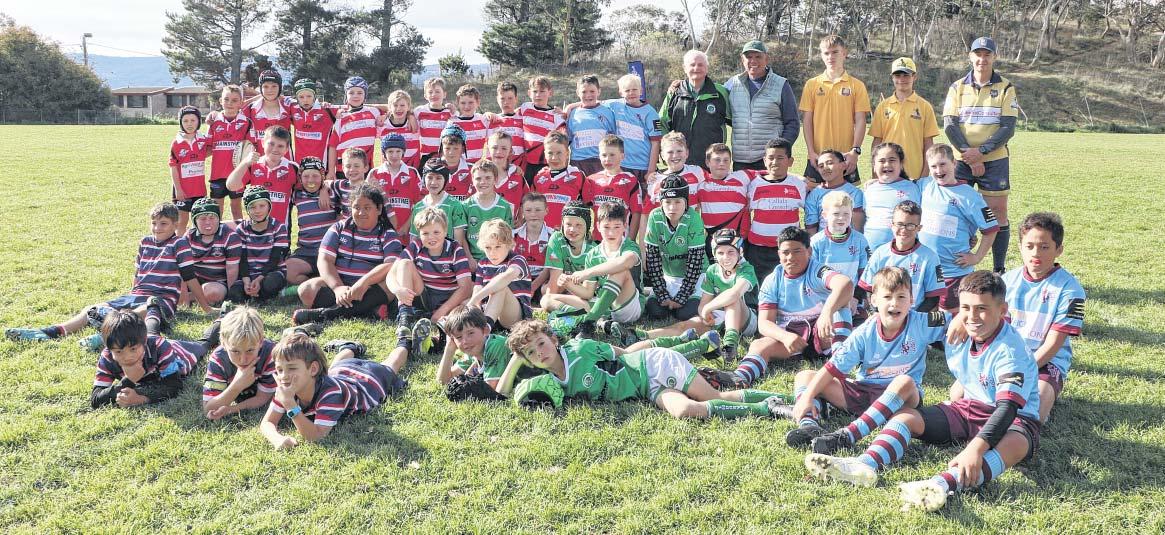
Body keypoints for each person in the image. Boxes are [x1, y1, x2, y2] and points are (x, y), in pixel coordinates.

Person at [805, 271, 1041, 515]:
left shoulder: (1011, 352)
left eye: (981, 308)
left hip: (1014, 419)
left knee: (1017, 444)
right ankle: (864, 464)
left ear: (1002, 310)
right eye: (966, 308)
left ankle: (940, 485)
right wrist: (957, 318)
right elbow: (941, 318)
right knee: (905, 417)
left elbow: (1007, 409)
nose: (972, 316)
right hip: (968, 408)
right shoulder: (959, 327)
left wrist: (976, 449)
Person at [783, 267, 948, 450]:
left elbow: (956, 319)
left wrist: (957, 323)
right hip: (864, 394)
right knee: (805, 377)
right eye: (887, 297)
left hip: (903, 401)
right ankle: (809, 425)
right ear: (874, 300)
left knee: (905, 381)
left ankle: (849, 434)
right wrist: (806, 397)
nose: (894, 303)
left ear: (911, 300)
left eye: (901, 297)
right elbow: (832, 368)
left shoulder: (923, 322)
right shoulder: (864, 332)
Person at [495, 320, 790, 420]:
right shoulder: (549, 383)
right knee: (686, 411)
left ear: (554, 339)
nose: (540, 352)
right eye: (531, 353)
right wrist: (517, 359)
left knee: (714, 397)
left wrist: (663, 352)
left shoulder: (580, 350)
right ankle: (768, 408)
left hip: (653, 365)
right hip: (648, 388)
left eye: (542, 343)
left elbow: (624, 354)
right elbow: (502, 393)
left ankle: (786, 402)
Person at [950, 212, 1084, 424]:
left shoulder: (1070, 290)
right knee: (957, 395)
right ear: (1020, 247)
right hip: (1004, 356)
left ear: (1059, 249)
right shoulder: (1007, 280)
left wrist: (1023, 371)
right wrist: (959, 318)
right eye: (1029, 246)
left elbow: (1053, 345)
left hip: (1043, 362)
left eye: (1044, 247)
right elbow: (978, 306)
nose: (1035, 253)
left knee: (1033, 414)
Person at [7, 203, 205, 345]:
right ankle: (50, 332)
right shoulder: (145, 242)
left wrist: (205, 307)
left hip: (161, 299)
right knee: (91, 309)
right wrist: (130, 295)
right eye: (154, 223)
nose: (157, 228)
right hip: (136, 294)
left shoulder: (179, 243)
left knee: (142, 311)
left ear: (175, 225)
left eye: (163, 224)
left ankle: (106, 336)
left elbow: (189, 277)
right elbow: (138, 273)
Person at [726, 227, 853, 389]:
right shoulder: (772, 280)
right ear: (779, 254)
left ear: (809, 252)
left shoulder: (818, 270)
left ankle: (840, 364)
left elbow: (845, 284)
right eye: (785, 252)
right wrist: (785, 336)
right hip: (792, 339)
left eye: (797, 251)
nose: (791, 257)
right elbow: (764, 324)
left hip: (822, 334)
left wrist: (826, 313)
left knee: (841, 305)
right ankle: (739, 378)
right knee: (758, 345)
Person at [943, 37, 1019, 274]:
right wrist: (969, 154)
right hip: (962, 159)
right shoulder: (957, 87)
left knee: (998, 213)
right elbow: (949, 125)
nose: (982, 59)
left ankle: (998, 270)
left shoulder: (1006, 87)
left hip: (994, 160)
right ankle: (955, 264)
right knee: (957, 210)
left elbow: (1008, 127)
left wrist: (982, 152)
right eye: (978, 54)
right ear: (970, 56)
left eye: (987, 55)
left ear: (994, 57)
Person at [259, 333, 408, 450]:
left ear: (313, 369)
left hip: (368, 381)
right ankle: (350, 347)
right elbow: (267, 423)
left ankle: (405, 342)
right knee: (333, 368)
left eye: (292, 368)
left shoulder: (331, 393)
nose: (284, 376)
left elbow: (317, 436)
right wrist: (277, 439)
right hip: (340, 371)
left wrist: (291, 406)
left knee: (390, 365)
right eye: (279, 370)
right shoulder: (286, 388)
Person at [292, 184, 403, 325]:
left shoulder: (388, 234)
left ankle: (327, 314)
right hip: (341, 284)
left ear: (379, 209)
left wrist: (364, 283)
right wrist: (337, 287)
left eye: (367, 208)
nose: (361, 213)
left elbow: (390, 265)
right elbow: (324, 260)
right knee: (306, 290)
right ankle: (368, 310)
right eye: (357, 207)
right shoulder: (339, 228)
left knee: (390, 287)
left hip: (370, 288)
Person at [917, 144, 999, 312]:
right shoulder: (924, 185)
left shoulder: (970, 195)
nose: (938, 170)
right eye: (933, 166)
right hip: (925, 270)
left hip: (953, 272)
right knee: (925, 317)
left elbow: (991, 229)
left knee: (950, 317)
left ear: (954, 163)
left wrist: (977, 257)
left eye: (943, 164)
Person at [544, 202, 642, 338]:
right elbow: (588, 293)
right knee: (547, 299)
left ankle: (588, 322)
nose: (611, 232)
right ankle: (600, 323)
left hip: (628, 307)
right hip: (602, 307)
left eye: (617, 227)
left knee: (620, 271)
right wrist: (568, 284)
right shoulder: (593, 254)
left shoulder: (630, 246)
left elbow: (625, 262)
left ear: (625, 225)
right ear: (598, 226)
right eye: (606, 227)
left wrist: (587, 273)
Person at [389, 207, 473, 353]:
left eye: (436, 232)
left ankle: (434, 337)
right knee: (404, 264)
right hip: (425, 297)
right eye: (425, 233)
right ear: (419, 234)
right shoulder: (416, 246)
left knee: (468, 303)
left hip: (450, 301)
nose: (431, 237)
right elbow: (391, 273)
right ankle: (405, 319)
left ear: (445, 231)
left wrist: (441, 311)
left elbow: (465, 288)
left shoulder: (455, 250)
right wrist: (398, 290)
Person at [89, 311, 205, 409]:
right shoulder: (107, 357)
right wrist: (128, 380)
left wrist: (141, 399)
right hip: (147, 341)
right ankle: (153, 307)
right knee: (150, 333)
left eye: (133, 349)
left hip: (178, 351)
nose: (127, 357)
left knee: (204, 344)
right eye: (119, 351)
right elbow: (95, 399)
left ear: (144, 342)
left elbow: (174, 386)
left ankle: (219, 321)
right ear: (109, 348)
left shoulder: (160, 348)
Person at [799, 35, 870, 185]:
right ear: (821, 55)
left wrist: (855, 151)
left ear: (844, 53)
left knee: (846, 199)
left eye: (835, 52)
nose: (830, 57)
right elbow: (807, 121)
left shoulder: (857, 86)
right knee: (815, 198)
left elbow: (860, 120)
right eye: (826, 53)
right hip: (818, 157)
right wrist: (811, 151)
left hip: (845, 158)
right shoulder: (812, 84)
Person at [724, 40, 801, 170]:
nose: (753, 61)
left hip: (770, 161)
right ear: (742, 60)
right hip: (741, 161)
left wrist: (780, 151)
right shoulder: (732, 84)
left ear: (767, 59)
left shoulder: (781, 84)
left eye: (758, 56)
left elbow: (792, 123)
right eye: (749, 57)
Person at [641, 174, 706, 324]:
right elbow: (653, 259)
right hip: (668, 276)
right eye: (667, 202)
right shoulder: (655, 217)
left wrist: (682, 296)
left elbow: (695, 264)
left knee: (684, 313)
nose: (672, 207)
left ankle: (706, 294)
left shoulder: (694, 218)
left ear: (686, 202)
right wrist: (662, 293)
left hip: (695, 276)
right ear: (661, 202)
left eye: (678, 201)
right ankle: (657, 294)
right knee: (656, 311)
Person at [859, 201, 945, 312]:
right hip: (885, 315)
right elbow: (869, 289)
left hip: (914, 316)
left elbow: (933, 298)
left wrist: (910, 318)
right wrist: (878, 313)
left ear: (919, 228)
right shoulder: (879, 254)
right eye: (899, 224)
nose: (904, 230)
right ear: (892, 225)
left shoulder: (930, 257)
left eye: (910, 225)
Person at [745, 137, 807, 284]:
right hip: (758, 248)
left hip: (788, 248)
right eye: (771, 158)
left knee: (786, 284)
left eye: (780, 158)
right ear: (764, 160)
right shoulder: (754, 185)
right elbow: (746, 211)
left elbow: (809, 214)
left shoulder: (799, 185)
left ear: (790, 161)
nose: (775, 162)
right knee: (759, 285)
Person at [868, 58, 939, 179]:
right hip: (887, 171)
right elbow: (877, 142)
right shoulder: (883, 106)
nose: (902, 79)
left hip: (914, 172)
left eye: (906, 75)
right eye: (897, 75)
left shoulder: (925, 106)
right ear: (892, 77)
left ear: (914, 77)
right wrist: (875, 173)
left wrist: (924, 174)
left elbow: (928, 143)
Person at [201, 306, 277, 420]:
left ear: (260, 342)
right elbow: (208, 408)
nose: (243, 359)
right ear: (224, 344)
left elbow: (263, 398)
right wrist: (237, 385)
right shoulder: (219, 360)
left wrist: (231, 409)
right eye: (235, 351)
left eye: (250, 350)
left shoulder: (271, 355)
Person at [660, 49, 731, 168]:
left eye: (700, 65)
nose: (696, 68)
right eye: (692, 65)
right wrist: (666, 149)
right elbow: (661, 122)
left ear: (707, 68)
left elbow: (737, 121)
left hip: (712, 163)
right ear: (685, 68)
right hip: (681, 163)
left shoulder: (721, 92)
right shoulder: (674, 92)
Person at [809, 192, 870, 320]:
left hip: (852, 300)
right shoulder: (816, 242)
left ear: (852, 214)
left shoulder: (860, 240)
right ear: (825, 215)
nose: (841, 218)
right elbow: (812, 277)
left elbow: (865, 274)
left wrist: (856, 297)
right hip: (823, 302)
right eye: (836, 214)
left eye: (846, 214)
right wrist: (833, 302)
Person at [640, 132, 706, 246]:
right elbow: (645, 215)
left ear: (687, 153)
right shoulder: (655, 180)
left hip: (691, 236)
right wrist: (642, 248)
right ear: (662, 155)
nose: (675, 156)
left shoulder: (697, 172)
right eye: (670, 152)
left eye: (679, 151)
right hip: (665, 240)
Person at [226, 125, 299, 226]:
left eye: (280, 146)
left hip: (282, 230)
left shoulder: (293, 168)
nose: (275, 149)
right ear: (263, 143)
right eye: (271, 144)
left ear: (287, 149)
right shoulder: (253, 165)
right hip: (256, 229)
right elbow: (231, 186)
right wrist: (244, 163)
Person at [176, 197, 241, 309]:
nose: (208, 222)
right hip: (193, 280)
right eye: (202, 219)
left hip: (217, 282)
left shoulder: (230, 236)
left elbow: (232, 269)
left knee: (214, 293)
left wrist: (232, 294)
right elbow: (183, 268)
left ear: (219, 218)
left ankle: (187, 297)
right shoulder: (189, 236)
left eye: (212, 217)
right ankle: (185, 297)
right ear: (195, 221)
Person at [469, 219, 533, 330]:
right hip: (489, 310)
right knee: (465, 304)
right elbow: (477, 288)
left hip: (515, 317)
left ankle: (485, 329)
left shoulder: (518, 260)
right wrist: (476, 305)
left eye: (498, 247)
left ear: (508, 244)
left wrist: (475, 299)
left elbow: (507, 276)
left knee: (501, 287)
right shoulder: (483, 263)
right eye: (488, 248)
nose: (492, 253)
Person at [603, 73, 662, 183]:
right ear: (621, 93)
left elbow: (656, 143)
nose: (631, 93)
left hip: (643, 167)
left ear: (641, 91)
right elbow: (593, 103)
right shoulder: (615, 105)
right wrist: (570, 107)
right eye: (627, 90)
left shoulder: (651, 113)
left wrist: (651, 171)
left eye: (634, 89)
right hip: (621, 165)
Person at [582, 135, 642, 241]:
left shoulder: (631, 181)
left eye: (612, 155)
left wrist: (630, 241)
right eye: (604, 155)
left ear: (622, 156)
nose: (607, 159)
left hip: (621, 240)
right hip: (597, 241)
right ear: (599, 156)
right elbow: (585, 210)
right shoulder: (591, 180)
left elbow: (636, 213)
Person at [862, 142, 921, 250]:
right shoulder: (868, 190)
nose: (887, 164)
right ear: (874, 166)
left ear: (901, 164)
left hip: (903, 252)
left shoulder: (913, 187)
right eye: (881, 161)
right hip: (871, 252)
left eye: (892, 160)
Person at [206, 85, 251, 221]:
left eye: (234, 100)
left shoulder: (246, 122)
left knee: (236, 208)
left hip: (237, 174)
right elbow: (208, 147)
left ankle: (238, 233)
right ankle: (217, 233)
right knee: (216, 210)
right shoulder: (214, 122)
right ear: (221, 101)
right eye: (226, 99)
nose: (230, 103)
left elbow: (250, 147)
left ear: (241, 103)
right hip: (217, 174)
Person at [409, 160, 471, 259]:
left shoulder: (455, 205)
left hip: (447, 259)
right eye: (430, 177)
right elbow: (414, 239)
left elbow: (458, 242)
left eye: (438, 178)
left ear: (445, 179)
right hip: (423, 260)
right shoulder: (418, 207)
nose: (433, 182)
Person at [696, 144, 750, 256]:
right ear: (707, 162)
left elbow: (769, 174)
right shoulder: (701, 182)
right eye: (717, 160)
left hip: (739, 239)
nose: (722, 163)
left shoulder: (742, 177)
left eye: (726, 160)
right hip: (713, 239)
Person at [540, 200, 595, 308]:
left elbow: (589, 293)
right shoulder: (557, 239)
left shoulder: (593, 250)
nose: (572, 229)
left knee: (547, 299)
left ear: (587, 226)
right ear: (562, 224)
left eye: (578, 225)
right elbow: (554, 283)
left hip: (588, 296)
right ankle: (573, 310)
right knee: (545, 293)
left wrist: (550, 300)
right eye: (568, 224)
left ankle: (578, 311)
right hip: (567, 289)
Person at [169, 105, 211, 233]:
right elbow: (173, 167)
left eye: (193, 120)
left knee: (198, 219)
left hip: (199, 189)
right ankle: (179, 243)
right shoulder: (177, 143)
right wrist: (178, 189)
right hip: (183, 191)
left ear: (199, 121)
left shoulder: (203, 139)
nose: (189, 124)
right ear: (181, 123)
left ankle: (195, 242)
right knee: (182, 220)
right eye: (185, 121)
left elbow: (210, 149)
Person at [531, 131, 586, 230]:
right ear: (545, 154)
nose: (554, 157)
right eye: (550, 153)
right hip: (542, 233)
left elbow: (588, 207)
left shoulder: (578, 176)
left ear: (567, 153)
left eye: (559, 153)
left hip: (569, 233)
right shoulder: (539, 177)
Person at [464, 159, 514, 263]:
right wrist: (469, 259)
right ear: (472, 180)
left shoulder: (504, 206)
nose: (483, 182)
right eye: (478, 178)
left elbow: (508, 239)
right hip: (473, 260)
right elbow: (461, 238)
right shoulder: (466, 206)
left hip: (497, 260)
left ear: (495, 179)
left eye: (488, 178)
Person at [804, 149, 865, 234]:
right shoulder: (814, 194)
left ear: (843, 165)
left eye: (830, 163)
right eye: (821, 166)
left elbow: (858, 229)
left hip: (849, 241)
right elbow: (811, 228)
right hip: (824, 241)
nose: (825, 168)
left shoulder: (855, 193)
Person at [566, 74, 617, 176]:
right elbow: (568, 139)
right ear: (577, 93)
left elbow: (613, 139)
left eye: (592, 91)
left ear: (599, 91)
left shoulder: (608, 112)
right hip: (578, 162)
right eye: (584, 92)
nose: (588, 95)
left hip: (601, 161)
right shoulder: (572, 114)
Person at [367, 133, 419, 233]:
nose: (394, 155)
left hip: (405, 230)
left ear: (403, 152)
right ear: (384, 153)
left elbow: (419, 204)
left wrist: (406, 226)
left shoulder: (412, 173)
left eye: (398, 151)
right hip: (381, 230)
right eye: (390, 151)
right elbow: (368, 202)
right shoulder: (374, 173)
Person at [331, 76, 381, 178]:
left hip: (365, 168)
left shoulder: (374, 112)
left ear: (365, 95)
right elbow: (332, 146)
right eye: (351, 93)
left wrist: (409, 115)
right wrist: (331, 171)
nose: (355, 96)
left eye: (360, 93)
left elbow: (393, 107)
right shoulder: (340, 116)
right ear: (346, 95)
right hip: (344, 169)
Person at [518, 76, 565, 184]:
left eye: (542, 91)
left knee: (544, 191)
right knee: (527, 191)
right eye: (535, 91)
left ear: (550, 93)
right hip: (526, 163)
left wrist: (567, 111)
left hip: (546, 163)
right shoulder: (525, 108)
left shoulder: (556, 115)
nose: (538, 95)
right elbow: (509, 115)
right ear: (529, 93)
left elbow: (563, 139)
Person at [287, 78, 337, 170]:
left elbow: (350, 109)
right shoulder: (292, 109)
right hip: (300, 166)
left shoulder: (326, 110)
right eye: (301, 97)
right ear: (296, 98)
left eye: (309, 96)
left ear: (315, 96)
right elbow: (277, 99)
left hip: (321, 166)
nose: (305, 100)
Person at [512, 193, 553, 303]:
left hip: (543, 280)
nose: (533, 214)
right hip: (520, 279)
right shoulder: (513, 236)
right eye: (528, 210)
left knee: (548, 293)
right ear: (522, 211)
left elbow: (551, 268)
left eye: (538, 210)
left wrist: (533, 287)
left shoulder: (553, 237)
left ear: (546, 211)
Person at [243, 70, 293, 157]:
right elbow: (231, 111)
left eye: (274, 86)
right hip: (258, 162)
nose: (270, 90)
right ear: (261, 88)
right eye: (265, 86)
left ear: (280, 88)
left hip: (284, 162)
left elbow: (307, 105)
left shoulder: (289, 107)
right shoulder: (250, 109)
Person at [484, 131, 527, 222]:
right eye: (494, 147)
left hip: (510, 229)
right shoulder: (479, 176)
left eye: (504, 148)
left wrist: (521, 218)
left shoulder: (518, 176)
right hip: (484, 228)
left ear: (510, 151)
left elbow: (526, 201)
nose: (499, 152)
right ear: (488, 149)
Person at [447, 84, 492, 163]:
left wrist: (492, 114)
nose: (467, 106)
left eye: (471, 102)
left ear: (478, 102)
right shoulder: (453, 122)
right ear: (458, 103)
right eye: (463, 103)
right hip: (459, 165)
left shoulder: (483, 119)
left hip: (477, 165)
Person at [415, 77, 453, 169]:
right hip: (425, 156)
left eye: (437, 91)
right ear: (425, 95)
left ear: (444, 94)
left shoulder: (450, 113)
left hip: (444, 157)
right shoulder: (419, 111)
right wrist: (409, 116)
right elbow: (405, 112)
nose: (434, 94)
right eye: (430, 92)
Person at [378, 90, 421, 169]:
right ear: (389, 107)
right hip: (390, 171)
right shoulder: (382, 125)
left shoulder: (415, 124)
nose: (398, 108)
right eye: (395, 105)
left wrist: (411, 115)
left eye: (402, 105)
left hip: (412, 170)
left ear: (408, 107)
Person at [490, 81, 527, 168]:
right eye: (502, 99)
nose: (506, 102)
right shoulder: (491, 120)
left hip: (520, 167)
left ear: (516, 99)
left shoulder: (523, 119)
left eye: (510, 98)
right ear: (497, 99)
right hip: (498, 167)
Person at [328, 147, 370, 220]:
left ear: (365, 168)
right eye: (348, 166)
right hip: (347, 226)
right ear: (343, 168)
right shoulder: (340, 185)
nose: (352, 169)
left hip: (365, 225)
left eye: (356, 166)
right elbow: (326, 183)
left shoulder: (371, 189)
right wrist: (323, 189)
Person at [437, 124, 474, 202]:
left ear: (463, 149)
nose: (451, 152)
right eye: (447, 148)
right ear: (441, 148)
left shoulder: (472, 170)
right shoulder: (432, 168)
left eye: (456, 148)